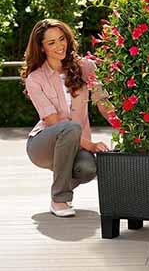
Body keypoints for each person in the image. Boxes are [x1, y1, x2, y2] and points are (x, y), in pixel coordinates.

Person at [22, 19, 115, 217]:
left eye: (61, 39)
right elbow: (53, 122)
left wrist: (126, 127)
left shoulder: (86, 67)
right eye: (51, 42)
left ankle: (59, 187)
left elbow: (102, 102)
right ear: (42, 48)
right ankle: (60, 199)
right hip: (42, 145)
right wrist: (91, 146)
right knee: (71, 127)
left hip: (76, 144)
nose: (59, 46)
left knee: (88, 169)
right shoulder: (35, 79)